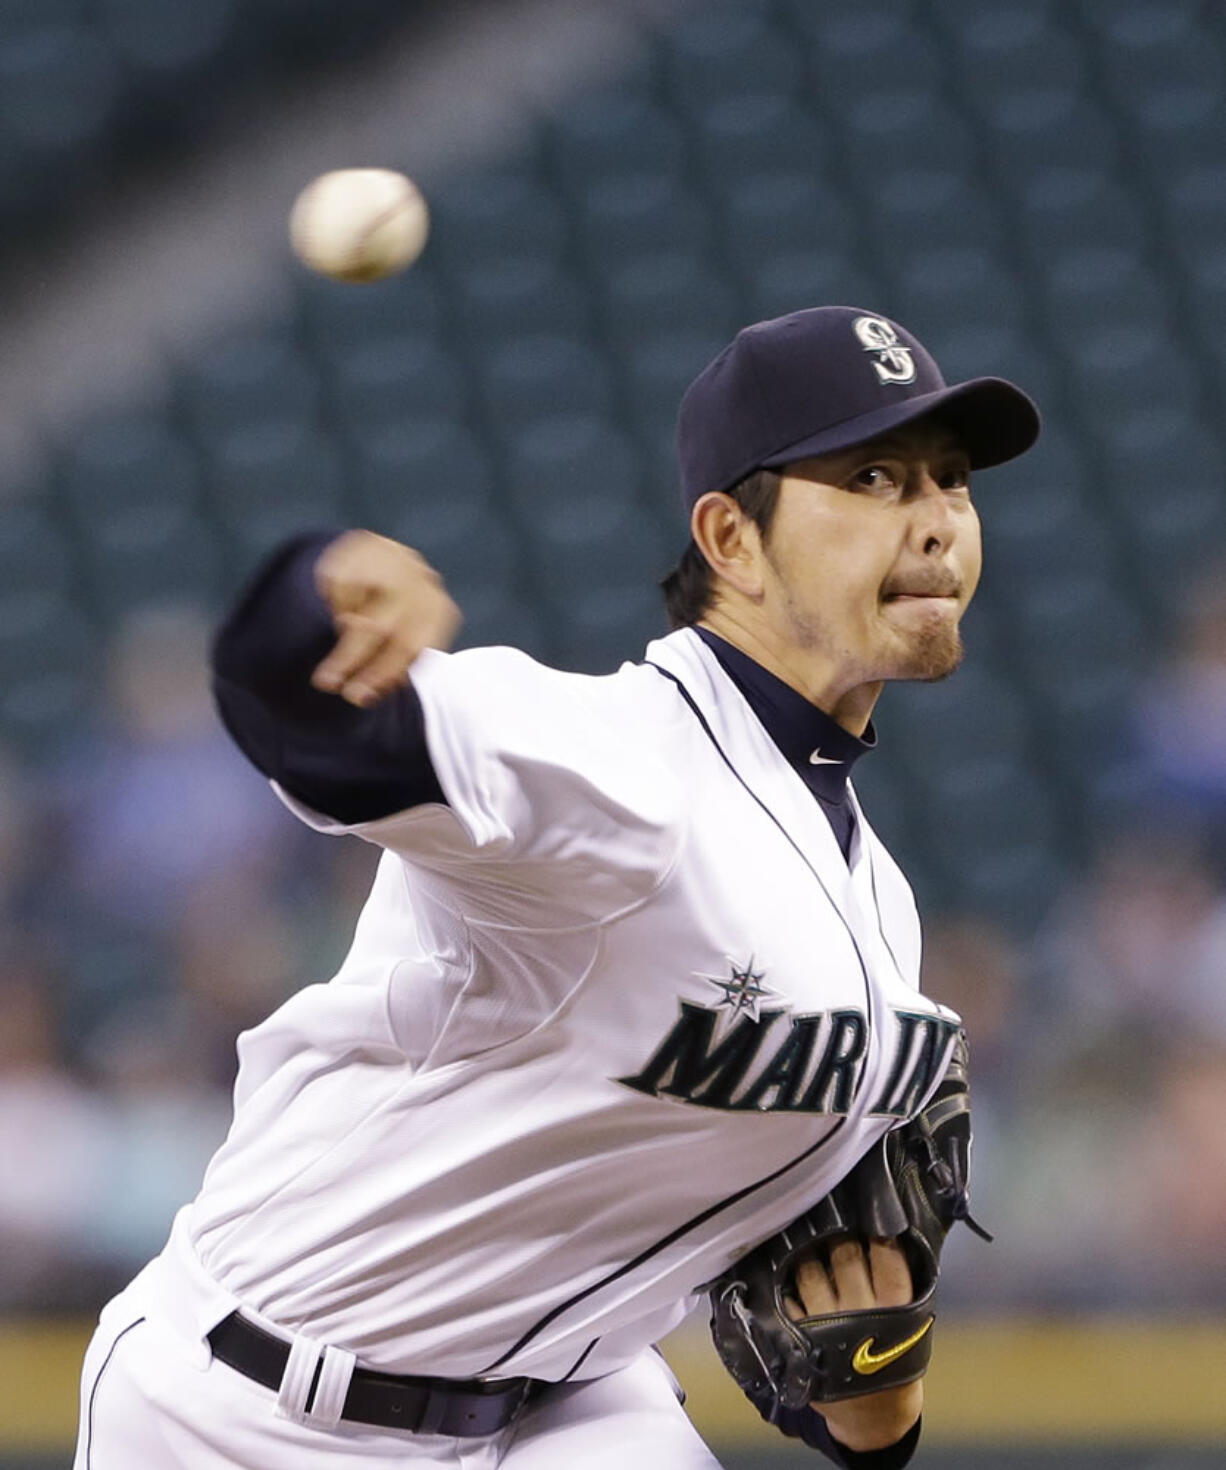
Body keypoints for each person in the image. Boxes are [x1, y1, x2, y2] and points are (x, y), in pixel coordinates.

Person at [74, 306, 1039, 1470]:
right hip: (255, 1409)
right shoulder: (610, 764)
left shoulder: (876, 907)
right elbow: (323, 731)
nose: (935, 521)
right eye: (874, 477)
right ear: (730, 538)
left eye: (950, 481)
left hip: (571, 1405)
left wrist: (870, 1411)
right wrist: (318, 598)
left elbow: (790, 1314)